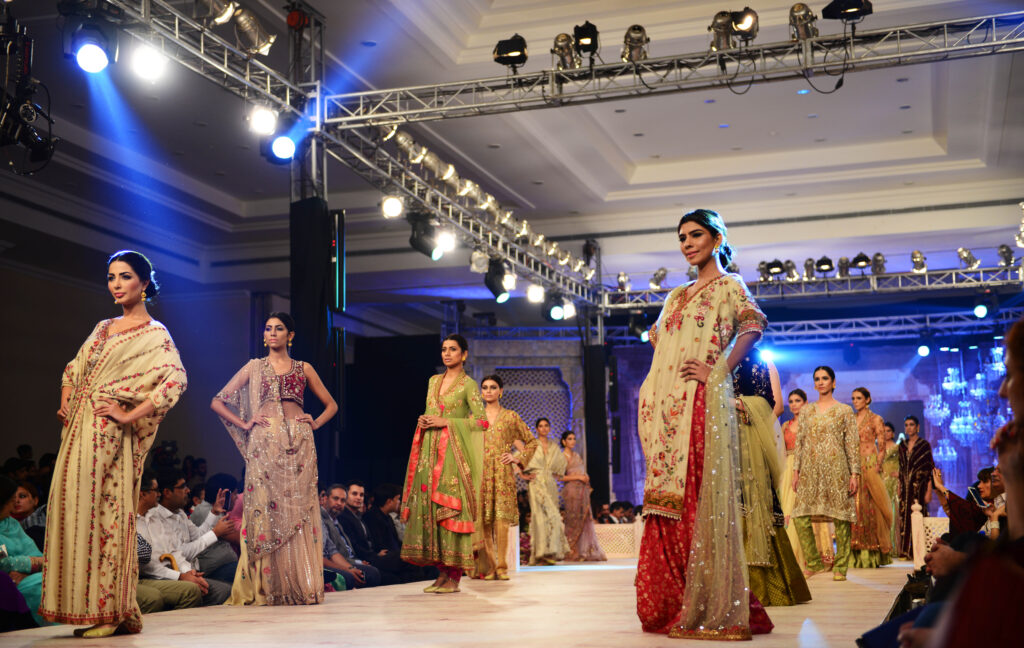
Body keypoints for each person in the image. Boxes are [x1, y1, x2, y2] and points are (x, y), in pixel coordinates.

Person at [635, 209, 770, 639]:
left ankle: (709, 599)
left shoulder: (729, 287)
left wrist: (718, 370)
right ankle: (673, 599)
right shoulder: (675, 296)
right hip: (665, 408)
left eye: (696, 235)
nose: (687, 243)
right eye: (681, 238)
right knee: (666, 501)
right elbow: (662, 344)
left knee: (696, 495)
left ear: (716, 239)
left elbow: (753, 324)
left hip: (699, 405)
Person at [41, 250, 187, 636]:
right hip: (78, 432)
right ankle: (90, 609)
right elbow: (73, 368)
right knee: (75, 514)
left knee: (107, 519)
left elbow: (174, 381)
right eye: (110, 278)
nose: (116, 285)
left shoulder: (156, 333)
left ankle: (112, 612)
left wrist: (127, 415)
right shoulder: (103, 327)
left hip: (110, 435)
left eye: (124, 277)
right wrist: (65, 403)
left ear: (143, 282)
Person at [211, 311, 336, 606]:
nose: (272, 333)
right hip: (264, 445)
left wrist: (314, 423)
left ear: (290, 335)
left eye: (279, 329)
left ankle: (298, 585)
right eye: (268, 329)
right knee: (267, 513)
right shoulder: (254, 367)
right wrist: (244, 424)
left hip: (300, 444)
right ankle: (269, 586)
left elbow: (331, 405)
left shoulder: (303, 368)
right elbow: (217, 401)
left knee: (299, 513)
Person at [400, 334, 488, 594]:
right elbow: (432, 411)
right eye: (444, 349)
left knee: (451, 511)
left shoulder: (469, 385)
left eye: (453, 349)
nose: (447, 354)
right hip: (429, 452)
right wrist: (426, 420)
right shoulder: (433, 381)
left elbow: (482, 422)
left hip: (453, 454)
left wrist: (447, 422)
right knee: (430, 510)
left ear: (464, 354)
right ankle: (441, 573)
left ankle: (455, 576)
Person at [733, 349, 811, 607]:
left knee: (759, 502)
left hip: (754, 440)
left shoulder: (764, 362)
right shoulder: (719, 360)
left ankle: (765, 585)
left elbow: (777, 406)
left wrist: (740, 406)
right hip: (726, 442)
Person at [791, 366, 860, 581]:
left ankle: (841, 567)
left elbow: (852, 444)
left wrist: (854, 474)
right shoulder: (806, 411)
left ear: (833, 382)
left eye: (825, 378)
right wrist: (796, 471)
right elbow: (800, 442)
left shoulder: (844, 411)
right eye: (817, 379)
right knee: (800, 516)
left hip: (837, 468)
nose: (821, 382)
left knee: (841, 517)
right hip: (811, 470)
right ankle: (813, 562)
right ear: (814, 383)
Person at [136, 471, 236, 606]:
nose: (188, 490)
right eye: (183, 487)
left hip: (184, 569)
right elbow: (179, 552)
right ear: (167, 492)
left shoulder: (177, 513)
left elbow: (178, 549)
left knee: (228, 586)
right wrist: (215, 534)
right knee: (222, 588)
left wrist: (214, 512)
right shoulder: (153, 516)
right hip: (164, 575)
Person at [473, 375, 538, 580]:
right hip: (480, 472)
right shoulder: (474, 417)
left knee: (500, 520)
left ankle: (502, 566)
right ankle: (489, 567)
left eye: (493, 387)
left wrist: (516, 457)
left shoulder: (511, 416)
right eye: (485, 388)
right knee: (483, 521)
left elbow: (531, 442)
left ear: (501, 391)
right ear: (481, 392)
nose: (489, 391)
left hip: (502, 473)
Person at [850, 387, 893, 567]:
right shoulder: (851, 419)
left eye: (859, 398)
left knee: (871, 507)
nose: (855, 401)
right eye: (853, 398)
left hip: (870, 464)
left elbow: (882, 446)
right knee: (855, 508)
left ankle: (873, 553)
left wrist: (877, 466)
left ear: (867, 399)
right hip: (854, 466)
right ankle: (857, 553)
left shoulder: (876, 419)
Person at [0, 475, 47, 627]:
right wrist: (30, 563)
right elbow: (3, 564)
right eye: (11, 499)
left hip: (27, 576)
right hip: (8, 583)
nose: (15, 502)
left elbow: (41, 559)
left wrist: (25, 568)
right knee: (41, 588)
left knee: (54, 581)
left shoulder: (11, 523)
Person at [521, 417, 569, 566]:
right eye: (540, 426)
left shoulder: (554, 446)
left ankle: (550, 553)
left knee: (551, 518)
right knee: (540, 518)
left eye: (546, 425)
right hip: (536, 483)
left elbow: (561, 468)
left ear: (549, 428)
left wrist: (554, 475)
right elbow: (517, 460)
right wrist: (523, 475)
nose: (543, 428)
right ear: (536, 429)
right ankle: (540, 554)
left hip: (550, 484)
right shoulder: (532, 445)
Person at [320, 484, 383, 589]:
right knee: (351, 577)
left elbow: (333, 551)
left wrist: (350, 567)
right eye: (335, 499)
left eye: (343, 500)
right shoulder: (319, 518)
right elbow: (321, 557)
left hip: (342, 560)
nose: (339, 503)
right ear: (325, 499)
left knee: (373, 572)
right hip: (321, 565)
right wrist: (348, 568)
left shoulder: (336, 519)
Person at [560, 431, 606, 562]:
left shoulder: (577, 455)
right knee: (573, 520)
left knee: (585, 519)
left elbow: (582, 471)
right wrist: (578, 477)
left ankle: (583, 552)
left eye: (574, 438)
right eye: (570, 439)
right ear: (564, 441)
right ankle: (571, 551)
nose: (573, 441)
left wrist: (585, 477)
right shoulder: (561, 456)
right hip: (571, 492)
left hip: (582, 491)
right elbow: (558, 476)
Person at [897, 415, 935, 558]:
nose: (908, 427)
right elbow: (901, 468)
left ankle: (919, 550)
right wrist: (899, 486)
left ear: (917, 427)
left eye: (911, 424)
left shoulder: (924, 445)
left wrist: (929, 491)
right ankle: (905, 550)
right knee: (904, 516)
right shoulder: (902, 445)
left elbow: (930, 468)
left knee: (919, 515)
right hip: (906, 488)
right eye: (906, 425)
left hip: (919, 487)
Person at [779, 389, 807, 567]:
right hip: (788, 467)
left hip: (806, 467)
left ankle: (809, 555)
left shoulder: (811, 424)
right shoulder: (785, 426)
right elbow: (781, 451)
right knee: (787, 507)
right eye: (791, 401)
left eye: (798, 400)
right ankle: (789, 554)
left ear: (804, 402)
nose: (794, 404)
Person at [881, 421, 901, 558]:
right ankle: (883, 547)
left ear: (893, 433)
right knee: (882, 514)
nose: (886, 433)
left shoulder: (898, 447)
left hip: (893, 482)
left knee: (893, 513)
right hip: (881, 482)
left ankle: (894, 547)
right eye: (883, 431)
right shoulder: (878, 447)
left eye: (888, 431)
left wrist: (899, 476)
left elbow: (903, 464)